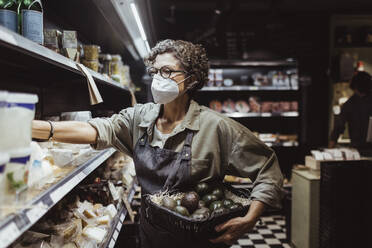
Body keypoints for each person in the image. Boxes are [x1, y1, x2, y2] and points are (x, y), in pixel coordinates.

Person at [32, 39, 284, 248]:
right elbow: (97, 129)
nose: (157, 78)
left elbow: (268, 168)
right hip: (151, 236)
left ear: (192, 78)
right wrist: (34, 128)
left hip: (201, 241)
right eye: (154, 71)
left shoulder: (216, 128)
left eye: (166, 71)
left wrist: (251, 218)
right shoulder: (139, 119)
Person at [329, 71, 372, 156]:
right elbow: (338, 127)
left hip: (357, 150)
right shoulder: (350, 104)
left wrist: (330, 148)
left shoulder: (349, 104)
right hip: (362, 149)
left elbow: (338, 127)